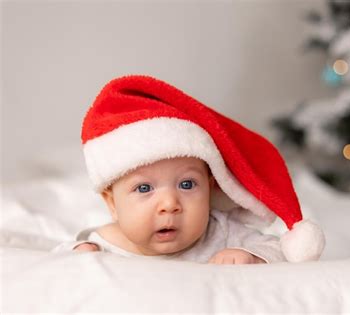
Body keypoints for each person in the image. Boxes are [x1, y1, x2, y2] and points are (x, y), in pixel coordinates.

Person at [52, 75, 326, 264]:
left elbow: (276, 248)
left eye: (187, 184)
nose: (169, 204)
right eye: (144, 188)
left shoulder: (220, 231)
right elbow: (55, 261)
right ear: (112, 203)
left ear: (210, 186)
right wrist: (78, 252)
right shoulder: (103, 242)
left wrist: (249, 255)